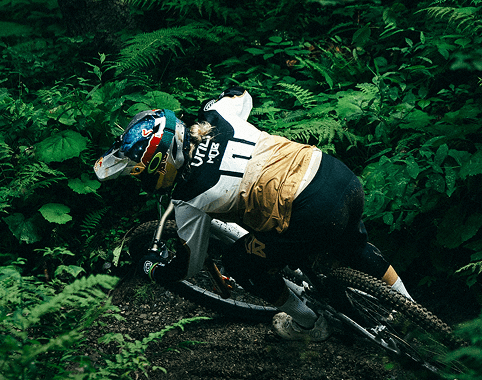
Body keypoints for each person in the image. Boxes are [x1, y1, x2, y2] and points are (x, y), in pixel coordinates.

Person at [94, 86, 412, 341]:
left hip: (306, 213)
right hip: (338, 177)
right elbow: (241, 94)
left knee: (240, 263)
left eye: (139, 173)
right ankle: (409, 308)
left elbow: (190, 265)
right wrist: (212, 103)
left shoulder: (189, 198)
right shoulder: (217, 115)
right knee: (352, 246)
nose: (140, 180)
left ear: (159, 165)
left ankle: (309, 324)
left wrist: (155, 270)